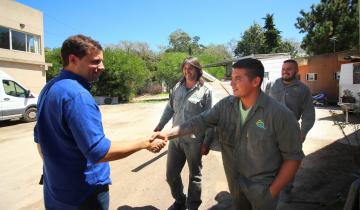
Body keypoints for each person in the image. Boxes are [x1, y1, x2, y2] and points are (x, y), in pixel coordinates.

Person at [34, 34, 166, 210]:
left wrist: (58, 169)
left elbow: (39, 140)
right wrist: (145, 143)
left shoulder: (50, 86)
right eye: (95, 62)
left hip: (57, 191)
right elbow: (99, 152)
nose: (102, 67)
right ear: (73, 59)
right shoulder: (77, 96)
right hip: (84, 195)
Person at [153, 58, 304, 210]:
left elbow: (293, 158)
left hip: (262, 191)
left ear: (256, 81)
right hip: (235, 188)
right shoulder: (225, 106)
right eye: (232, 78)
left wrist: (271, 192)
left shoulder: (280, 115)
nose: (232, 83)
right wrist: (167, 134)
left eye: (238, 78)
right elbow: (199, 121)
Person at [154, 57, 213, 210]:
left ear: (198, 70)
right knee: (171, 175)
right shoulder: (177, 88)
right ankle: (180, 201)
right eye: (185, 68)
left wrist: (207, 142)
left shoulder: (206, 91)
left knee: (195, 175)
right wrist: (159, 126)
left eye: (191, 68)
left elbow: (211, 119)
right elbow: (170, 109)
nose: (187, 71)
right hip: (175, 140)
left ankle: (193, 205)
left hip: (194, 141)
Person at [268, 59, 315, 202]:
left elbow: (308, 114)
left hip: (290, 133)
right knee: (268, 160)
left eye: (289, 69)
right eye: (283, 68)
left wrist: (303, 133)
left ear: (296, 71)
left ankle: (287, 190)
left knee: (289, 162)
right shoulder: (273, 84)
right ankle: (270, 189)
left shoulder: (303, 89)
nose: (285, 71)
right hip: (270, 131)